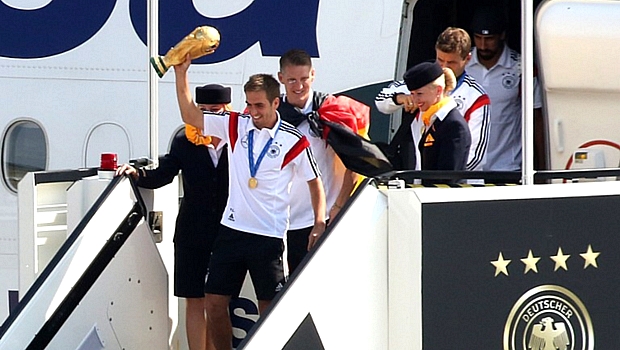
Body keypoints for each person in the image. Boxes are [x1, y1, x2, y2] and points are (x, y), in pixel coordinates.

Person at [174, 54, 326, 350]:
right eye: (249, 104)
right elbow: (191, 116)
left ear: (275, 103)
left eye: (259, 105)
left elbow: (314, 181)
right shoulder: (235, 125)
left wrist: (319, 221)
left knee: (269, 309)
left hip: (268, 235)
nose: (253, 112)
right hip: (231, 230)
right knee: (214, 302)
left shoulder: (292, 140)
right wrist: (181, 75)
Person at [116, 84, 231, 350]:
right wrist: (136, 173)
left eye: (216, 112)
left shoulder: (239, 140)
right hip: (193, 229)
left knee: (219, 300)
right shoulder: (184, 142)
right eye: (204, 112)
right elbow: (163, 174)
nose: (209, 118)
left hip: (228, 230)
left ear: (227, 111)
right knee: (194, 298)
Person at [276, 49, 360, 274]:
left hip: (322, 218)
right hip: (281, 220)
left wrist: (338, 207)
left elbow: (354, 163)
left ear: (313, 75)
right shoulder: (272, 114)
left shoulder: (331, 111)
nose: (299, 86)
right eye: (292, 79)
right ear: (280, 78)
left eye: (304, 79)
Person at [376, 27, 490, 172]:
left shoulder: (476, 96)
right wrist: (401, 99)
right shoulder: (420, 82)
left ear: (467, 59)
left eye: (451, 62)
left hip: (457, 183)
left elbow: (476, 157)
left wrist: (438, 175)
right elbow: (380, 100)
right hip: (417, 176)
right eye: (440, 60)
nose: (444, 67)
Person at [466, 4, 543, 171]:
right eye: (478, 38)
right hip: (468, 168)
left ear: (502, 35)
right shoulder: (461, 64)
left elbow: (536, 117)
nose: (483, 45)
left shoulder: (522, 67)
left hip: (508, 167)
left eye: (489, 39)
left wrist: (543, 167)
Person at [403, 61, 471, 180]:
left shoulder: (453, 125)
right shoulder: (433, 119)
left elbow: (449, 177)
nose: (414, 99)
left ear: (438, 90)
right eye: (412, 94)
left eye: (419, 93)